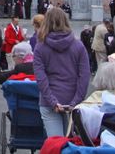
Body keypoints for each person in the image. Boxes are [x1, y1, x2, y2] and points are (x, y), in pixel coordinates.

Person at [32, 8, 90, 138]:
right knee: (72, 142)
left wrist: (52, 101)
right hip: (72, 100)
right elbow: (84, 77)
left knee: (56, 143)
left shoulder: (40, 47)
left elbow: (41, 78)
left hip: (49, 102)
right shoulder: (78, 46)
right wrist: (76, 101)